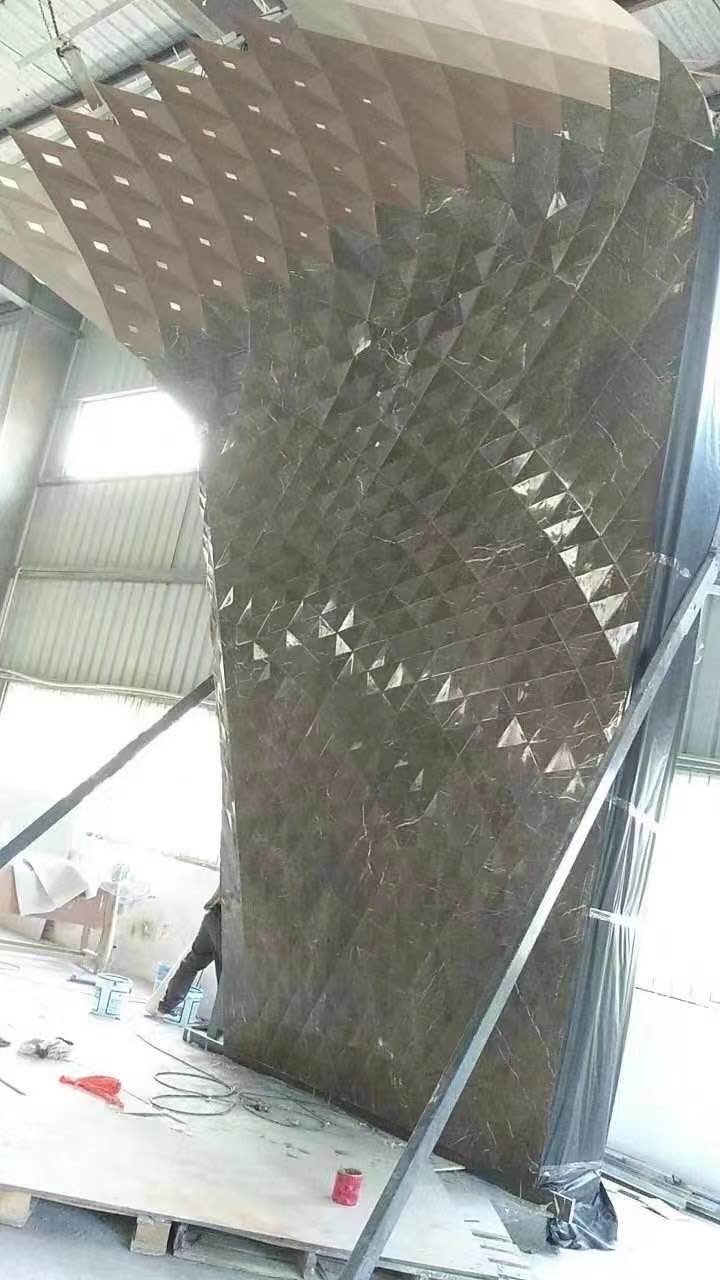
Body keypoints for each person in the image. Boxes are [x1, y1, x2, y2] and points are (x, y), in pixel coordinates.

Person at [158, 886, 221, 1017]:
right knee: (229, 977)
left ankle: (166, 1006)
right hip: (228, 924)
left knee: (191, 964)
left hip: (213, 915)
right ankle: (224, 1023)